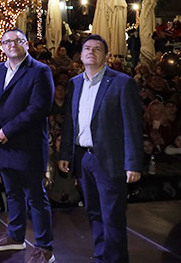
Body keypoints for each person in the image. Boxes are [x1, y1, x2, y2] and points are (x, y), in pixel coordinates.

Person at [59, 34, 143, 263]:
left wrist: (133, 164)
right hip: (83, 158)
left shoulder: (122, 83)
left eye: (97, 49)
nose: (91, 52)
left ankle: (115, 260)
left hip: (111, 160)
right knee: (94, 212)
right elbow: (70, 122)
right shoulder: (75, 83)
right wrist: (66, 153)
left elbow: (132, 126)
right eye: (87, 48)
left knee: (112, 216)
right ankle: (100, 256)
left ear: (106, 56)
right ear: (80, 55)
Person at [0, 28, 55, 263]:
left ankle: (44, 247)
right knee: (12, 193)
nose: (11, 44)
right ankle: (15, 236)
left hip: (27, 146)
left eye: (17, 40)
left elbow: (38, 108)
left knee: (35, 197)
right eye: (6, 41)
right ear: (2, 46)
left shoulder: (40, 71)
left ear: (27, 44)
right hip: (2, 144)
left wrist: (7, 131)